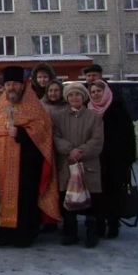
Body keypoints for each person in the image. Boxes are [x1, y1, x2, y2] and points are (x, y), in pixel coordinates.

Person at [0, 66, 61, 248]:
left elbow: (44, 131)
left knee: (25, 200)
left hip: (27, 166)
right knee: (2, 198)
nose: (11, 87)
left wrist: (21, 133)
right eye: (8, 84)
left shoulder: (34, 106)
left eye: (14, 84)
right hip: (2, 165)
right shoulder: (0, 107)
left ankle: (25, 235)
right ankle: (5, 234)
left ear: (23, 85)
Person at [52, 83, 104, 248]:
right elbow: (54, 137)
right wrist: (69, 150)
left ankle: (91, 234)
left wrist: (80, 151)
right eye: (71, 95)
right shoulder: (58, 117)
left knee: (92, 202)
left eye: (78, 94)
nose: (74, 98)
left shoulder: (94, 117)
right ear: (67, 98)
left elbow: (97, 140)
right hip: (67, 164)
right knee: (68, 201)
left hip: (88, 164)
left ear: (83, 97)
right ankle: (70, 233)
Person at [88, 80, 136, 239]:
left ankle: (113, 226)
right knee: (97, 195)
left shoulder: (117, 108)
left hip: (115, 160)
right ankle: (100, 226)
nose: (95, 94)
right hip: (95, 160)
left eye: (98, 91)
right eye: (93, 92)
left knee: (113, 194)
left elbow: (128, 135)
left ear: (106, 92)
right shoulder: (89, 110)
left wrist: (128, 159)